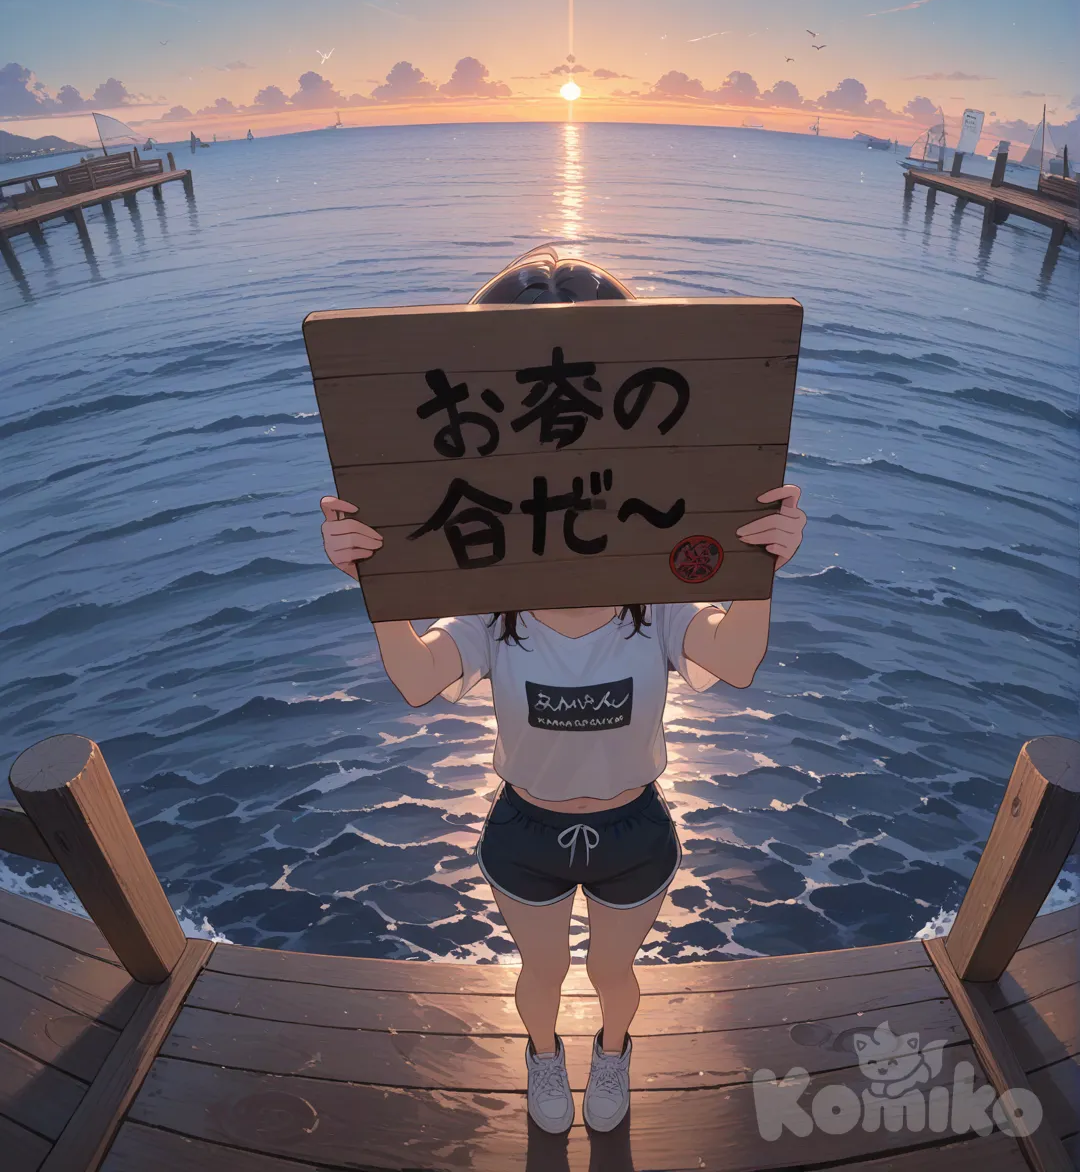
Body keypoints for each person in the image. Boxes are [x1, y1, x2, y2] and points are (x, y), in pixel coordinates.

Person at [318, 246, 806, 1135]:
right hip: (526, 828)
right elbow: (422, 679)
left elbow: (733, 660)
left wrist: (755, 567)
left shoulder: (652, 604)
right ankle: (546, 1058)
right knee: (539, 976)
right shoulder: (493, 610)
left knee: (616, 978)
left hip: (633, 826)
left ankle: (612, 1054)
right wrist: (377, 587)